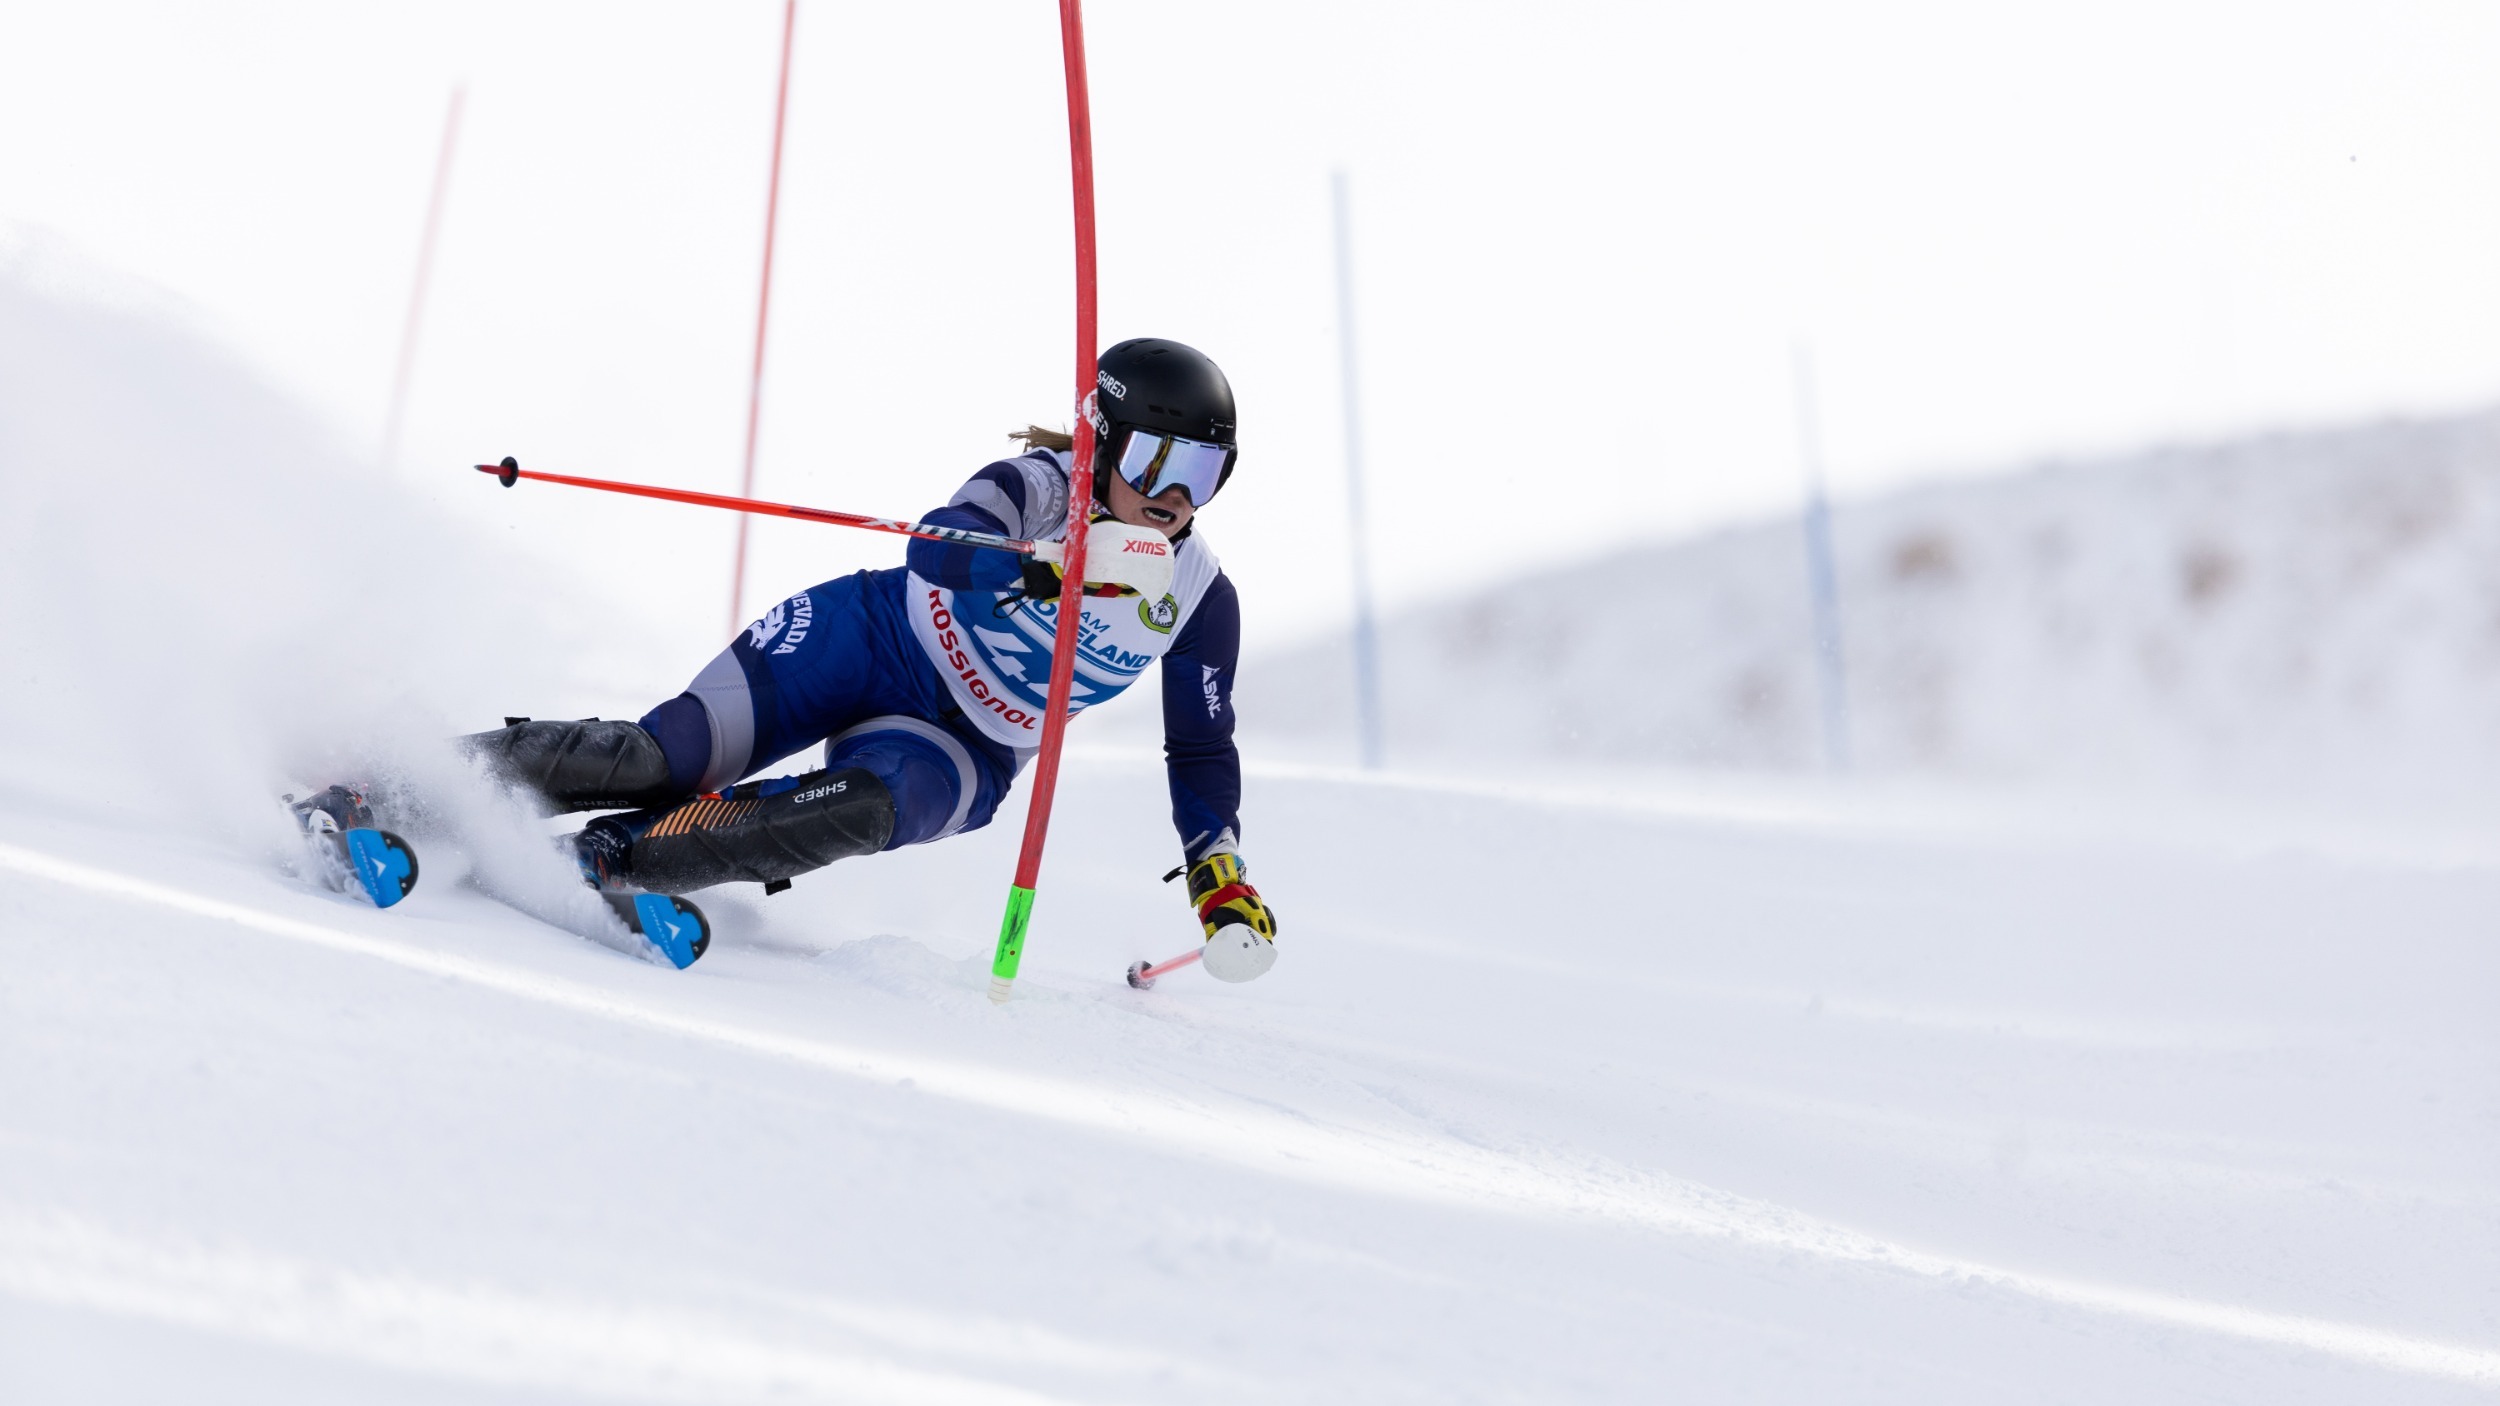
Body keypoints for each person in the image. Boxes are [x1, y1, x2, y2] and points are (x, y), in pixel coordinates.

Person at [459, 337, 1277, 973]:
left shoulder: (1200, 599)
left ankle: (611, 859)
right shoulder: (1043, 487)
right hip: (874, 635)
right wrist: (1050, 565)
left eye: (1203, 474)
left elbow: (1200, 744)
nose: (1172, 501)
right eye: (1153, 463)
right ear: (1101, 441)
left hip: (966, 747)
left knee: (849, 810)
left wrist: (1216, 863)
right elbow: (938, 547)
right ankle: (424, 773)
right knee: (660, 759)